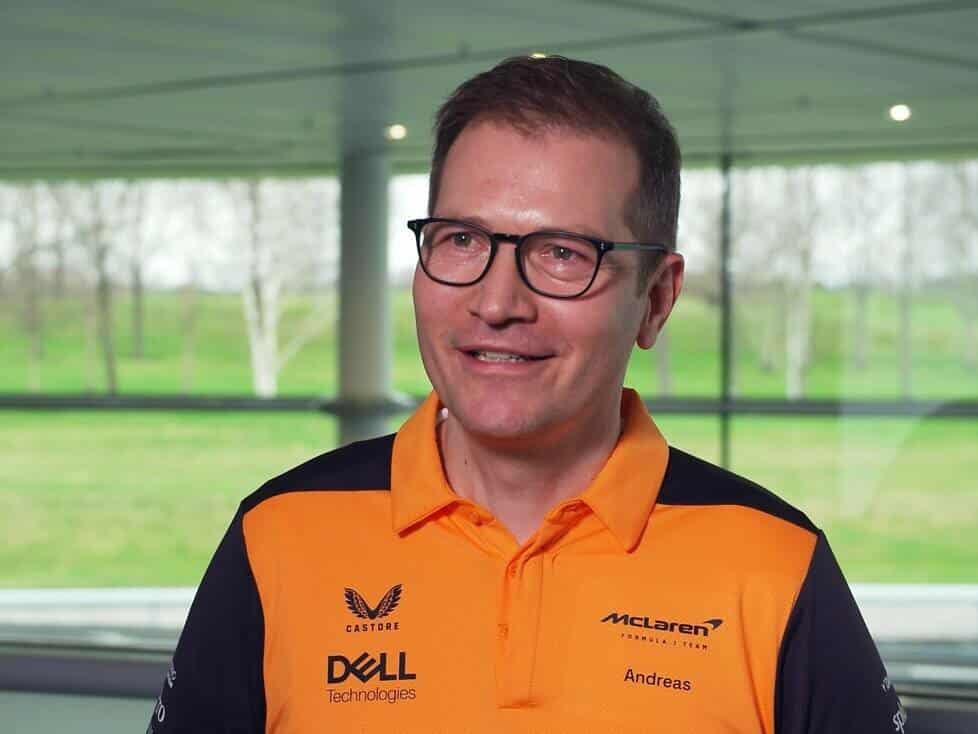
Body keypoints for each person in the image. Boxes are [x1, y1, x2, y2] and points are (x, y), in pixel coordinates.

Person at [148, 55, 907, 733]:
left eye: (562, 254)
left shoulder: (773, 562)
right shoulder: (278, 537)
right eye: (462, 240)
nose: (497, 302)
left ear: (656, 300)